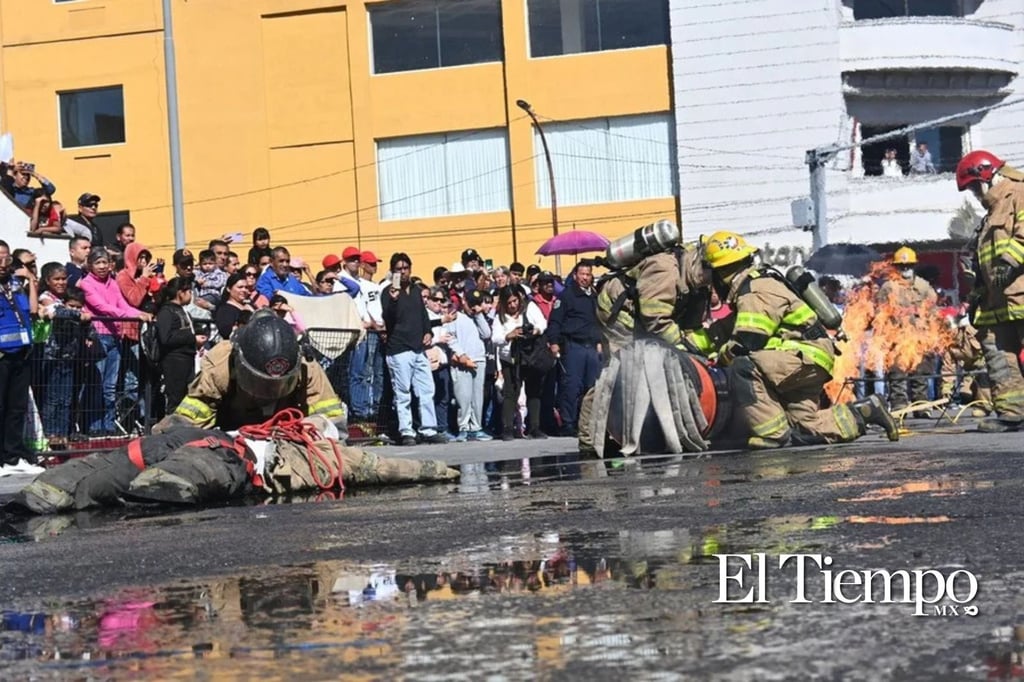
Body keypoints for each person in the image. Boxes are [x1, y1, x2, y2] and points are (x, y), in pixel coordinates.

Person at [703, 230, 899, 449]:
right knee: (805, 427)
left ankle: (773, 435)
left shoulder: (756, 289)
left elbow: (747, 341)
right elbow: (724, 329)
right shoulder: (754, 289)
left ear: (721, 273)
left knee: (742, 366)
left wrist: (718, 358)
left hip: (803, 358)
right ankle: (866, 411)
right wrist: (690, 342)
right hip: (808, 359)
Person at [157, 309, 346, 433]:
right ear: (240, 362)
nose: (269, 393)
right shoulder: (221, 363)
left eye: (278, 384)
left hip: (287, 439)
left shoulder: (307, 366)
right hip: (232, 435)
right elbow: (189, 424)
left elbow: (334, 426)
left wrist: (314, 431)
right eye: (261, 383)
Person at [955, 150, 1024, 431]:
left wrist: (1009, 262)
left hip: (1019, 293)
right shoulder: (990, 215)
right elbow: (984, 265)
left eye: (973, 186)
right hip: (996, 300)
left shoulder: (1019, 193)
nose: (974, 193)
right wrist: (975, 297)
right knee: (997, 353)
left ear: (986, 174)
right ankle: (1011, 413)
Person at [596, 241, 714, 355]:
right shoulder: (665, 270)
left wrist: (705, 349)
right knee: (629, 361)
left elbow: (692, 324)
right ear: (704, 265)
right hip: (618, 312)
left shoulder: (697, 276)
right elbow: (654, 318)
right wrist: (681, 343)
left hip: (642, 312)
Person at [381, 252, 447, 446]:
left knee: (427, 389)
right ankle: (406, 430)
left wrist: (428, 332)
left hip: (418, 348)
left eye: (405, 268)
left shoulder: (417, 291)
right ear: (393, 271)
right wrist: (393, 301)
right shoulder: (388, 292)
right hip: (399, 349)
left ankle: (428, 429)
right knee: (403, 393)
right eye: (398, 269)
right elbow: (388, 318)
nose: (403, 272)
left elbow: (423, 315)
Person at [875, 247, 939, 417]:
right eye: (902, 266)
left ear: (914, 266)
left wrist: (932, 335)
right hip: (896, 338)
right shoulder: (888, 288)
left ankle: (921, 405)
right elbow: (880, 314)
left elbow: (933, 312)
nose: (905, 269)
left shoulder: (924, 287)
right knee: (897, 375)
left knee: (920, 374)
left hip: (919, 338)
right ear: (896, 267)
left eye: (908, 265)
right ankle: (899, 406)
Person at [545, 260, 602, 437]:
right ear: (575, 275)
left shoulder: (594, 296)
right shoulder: (566, 296)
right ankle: (568, 423)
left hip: (592, 347)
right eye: (582, 274)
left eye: (588, 274)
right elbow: (554, 322)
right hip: (573, 346)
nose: (585, 277)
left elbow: (598, 322)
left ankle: (586, 422)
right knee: (571, 386)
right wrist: (554, 343)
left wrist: (600, 342)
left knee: (592, 387)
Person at [0, 240, 43, 476]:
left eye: (6, 258)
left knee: (17, 407)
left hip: (22, 351)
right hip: (2, 354)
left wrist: (31, 280)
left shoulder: (15, 284)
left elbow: (33, 310)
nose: (2, 263)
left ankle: (12, 457)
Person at [38, 264, 91, 450]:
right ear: (47, 281)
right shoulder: (46, 297)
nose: (61, 282)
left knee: (66, 398)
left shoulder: (66, 297)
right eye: (56, 279)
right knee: (53, 397)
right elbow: (57, 313)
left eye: (63, 279)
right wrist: (80, 315)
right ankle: (51, 434)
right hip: (53, 356)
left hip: (69, 356)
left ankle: (63, 433)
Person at [492, 285, 548, 440]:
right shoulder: (500, 317)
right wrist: (509, 335)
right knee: (510, 393)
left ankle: (534, 427)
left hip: (530, 356)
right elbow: (495, 338)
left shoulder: (530, 308)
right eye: (509, 303)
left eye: (515, 301)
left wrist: (535, 331)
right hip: (510, 359)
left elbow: (543, 323)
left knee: (534, 391)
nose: (513, 305)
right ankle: (508, 428)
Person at [445, 288, 493, 442]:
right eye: (471, 303)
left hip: (479, 360)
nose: (473, 307)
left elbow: (486, 334)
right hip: (462, 361)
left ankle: (477, 427)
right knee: (463, 396)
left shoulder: (479, 317)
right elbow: (450, 338)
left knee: (477, 397)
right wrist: (461, 355)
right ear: (464, 301)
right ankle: (464, 428)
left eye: (477, 303)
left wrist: (479, 314)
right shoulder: (455, 317)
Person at [155, 278, 197, 412]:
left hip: (187, 358)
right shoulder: (167, 311)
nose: (191, 295)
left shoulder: (182, 310)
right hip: (174, 361)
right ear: (180, 293)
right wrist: (191, 337)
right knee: (176, 398)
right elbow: (165, 338)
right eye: (189, 291)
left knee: (186, 397)